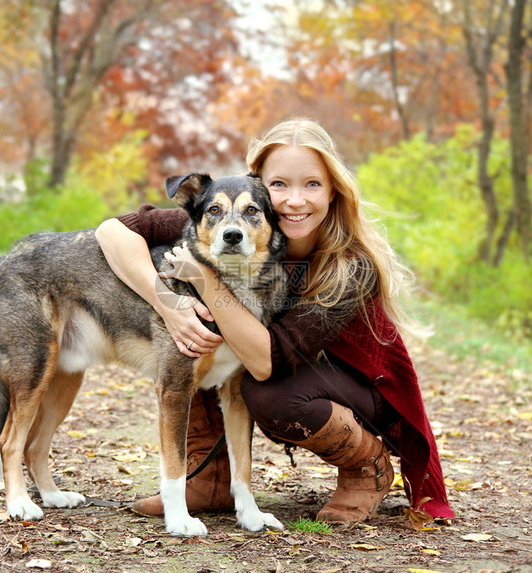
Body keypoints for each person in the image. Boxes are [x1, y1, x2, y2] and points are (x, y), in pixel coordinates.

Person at [95, 118, 454, 524]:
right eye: (280, 185)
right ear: (257, 182)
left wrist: (204, 278)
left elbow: (266, 360)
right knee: (196, 339)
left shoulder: (349, 268)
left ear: (333, 190)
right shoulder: (229, 219)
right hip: (287, 365)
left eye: (312, 185)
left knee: (261, 390)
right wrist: (167, 305)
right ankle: (210, 475)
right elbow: (112, 231)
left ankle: (365, 468)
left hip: (360, 389)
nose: (294, 200)